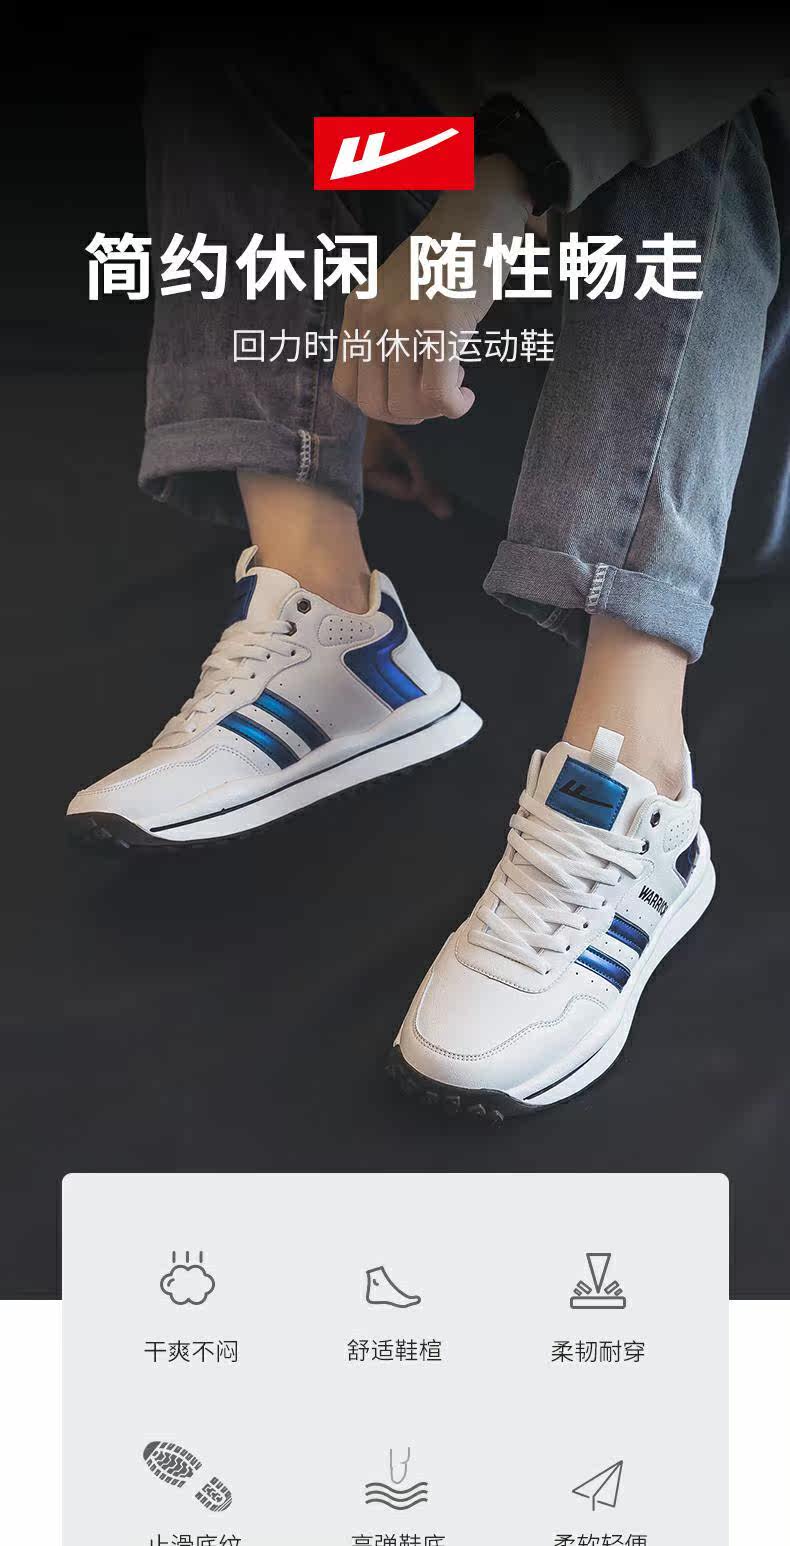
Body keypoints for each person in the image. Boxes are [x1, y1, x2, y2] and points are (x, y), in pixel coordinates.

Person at [67, 36, 788, 1117]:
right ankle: (327, 620)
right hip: (470, 377)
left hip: (719, 422)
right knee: (236, 67)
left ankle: (636, 784)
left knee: (701, 113)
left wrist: (502, 187)